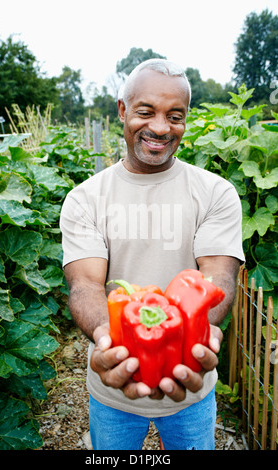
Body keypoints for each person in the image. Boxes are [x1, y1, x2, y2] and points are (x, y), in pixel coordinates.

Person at [60, 59, 245, 450]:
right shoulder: (85, 199)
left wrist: (188, 346)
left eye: (174, 116)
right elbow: (86, 285)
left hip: (189, 387)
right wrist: (108, 339)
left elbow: (218, 278)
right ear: (123, 111)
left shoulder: (216, 193)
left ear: (185, 119)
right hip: (115, 386)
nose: (161, 127)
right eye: (146, 112)